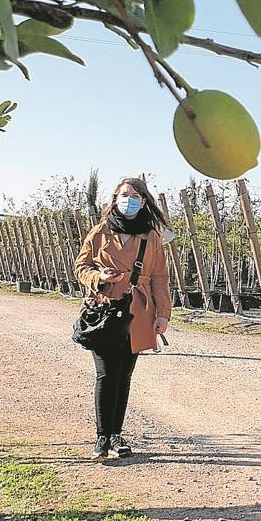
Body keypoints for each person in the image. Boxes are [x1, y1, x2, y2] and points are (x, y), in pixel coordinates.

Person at [74, 177, 172, 461]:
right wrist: (98, 277)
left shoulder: (151, 236)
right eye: (124, 194)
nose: (128, 199)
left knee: (124, 375)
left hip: (139, 311)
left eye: (135, 196)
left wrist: (163, 314)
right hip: (104, 308)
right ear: (115, 198)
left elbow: (160, 278)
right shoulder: (100, 232)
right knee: (107, 373)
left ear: (143, 202)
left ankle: (117, 435)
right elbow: (81, 266)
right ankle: (102, 437)